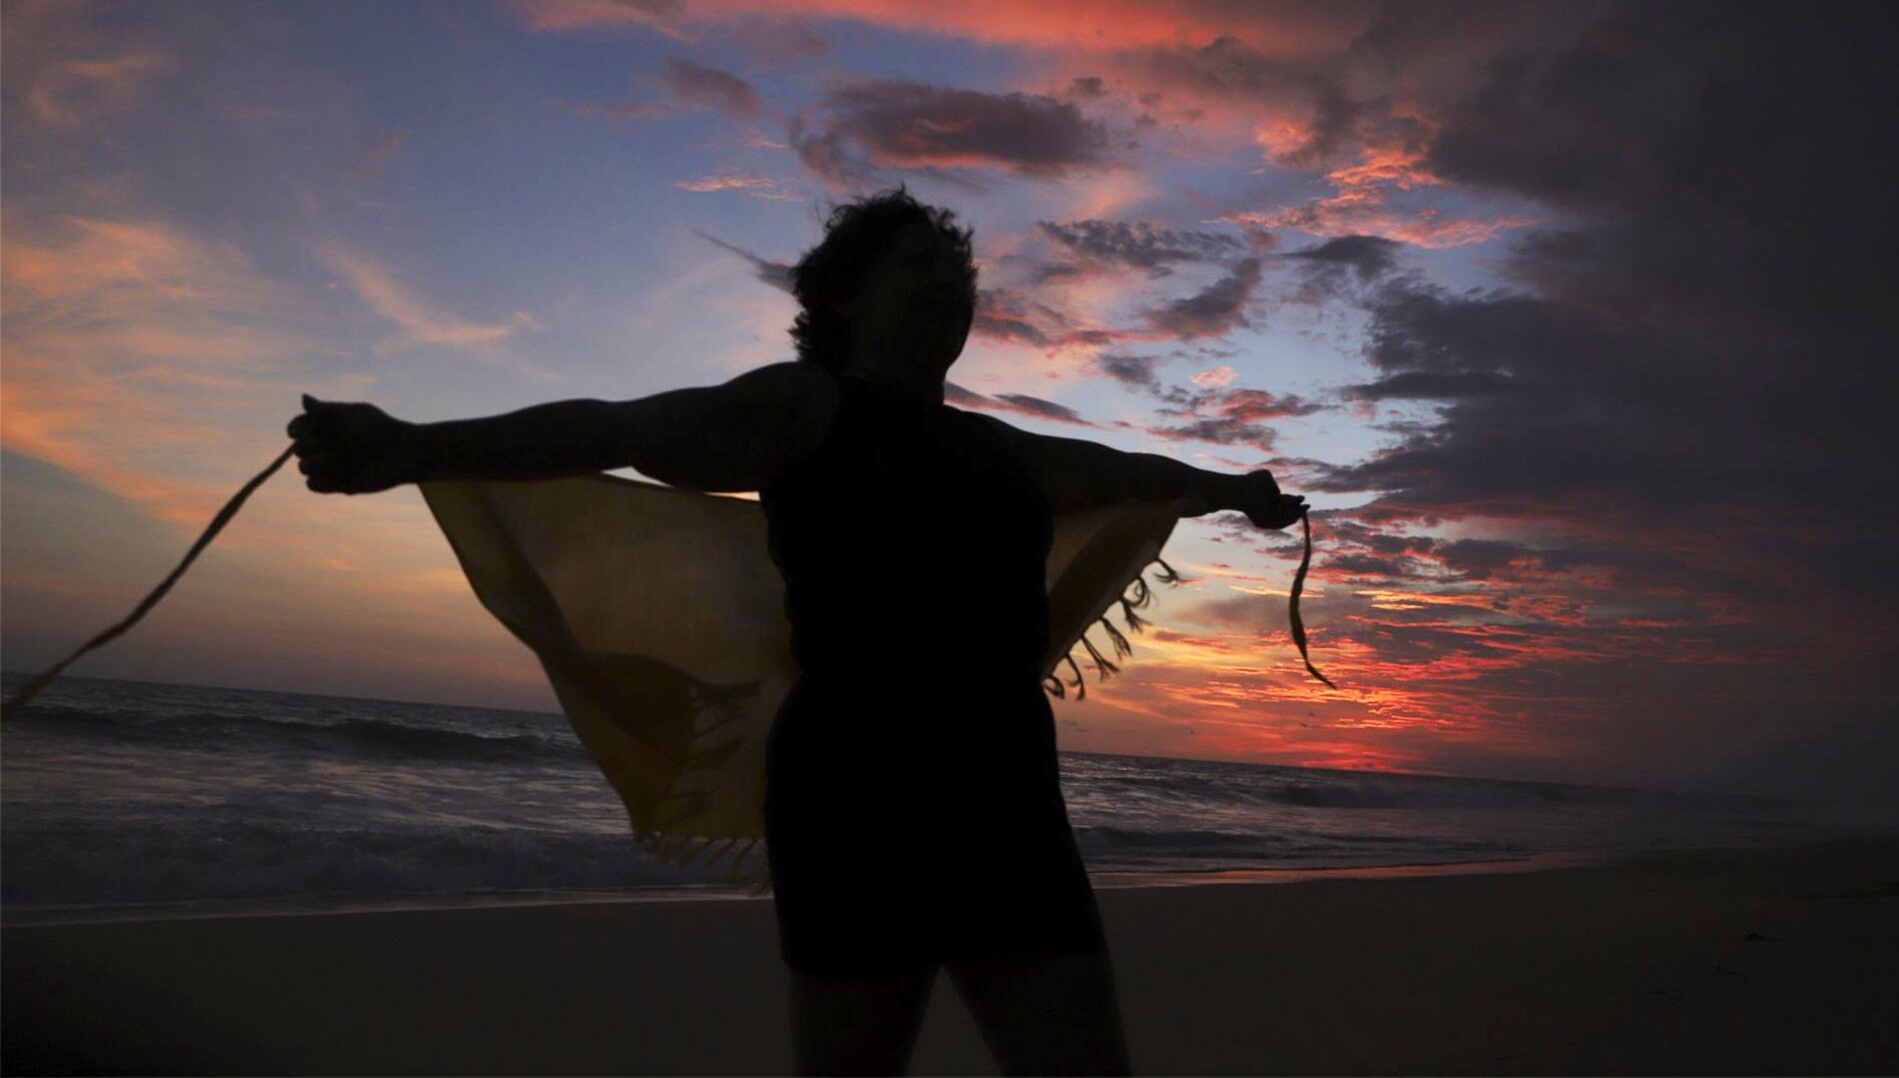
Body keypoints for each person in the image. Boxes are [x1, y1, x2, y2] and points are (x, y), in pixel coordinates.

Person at [288, 187, 1307, 1076]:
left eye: (959, 268)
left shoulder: (1001, 449)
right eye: (920, 264)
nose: (952, 281)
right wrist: (412, 446)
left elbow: (1133, 474)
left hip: (1003, 789)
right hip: (856, 787)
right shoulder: (807, 408)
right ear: (845, 298)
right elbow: (619, 428)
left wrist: (1235, 490)